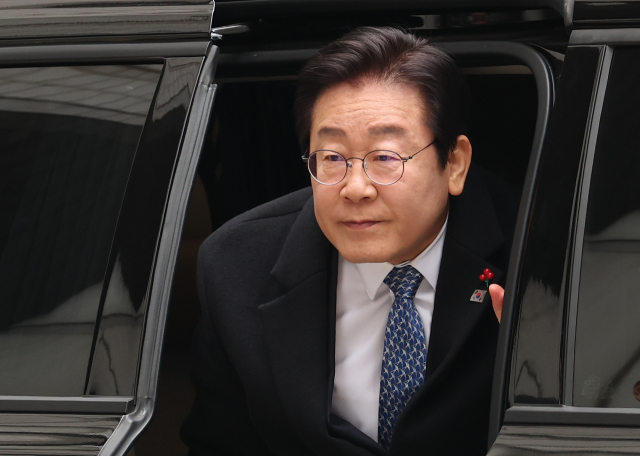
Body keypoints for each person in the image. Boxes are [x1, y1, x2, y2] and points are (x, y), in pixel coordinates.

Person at [181, 27, 516, 456]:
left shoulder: (538, 256)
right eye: (332, 158)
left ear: (454, 163)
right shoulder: (237, 268)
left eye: (385, 158)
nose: (355, 188)